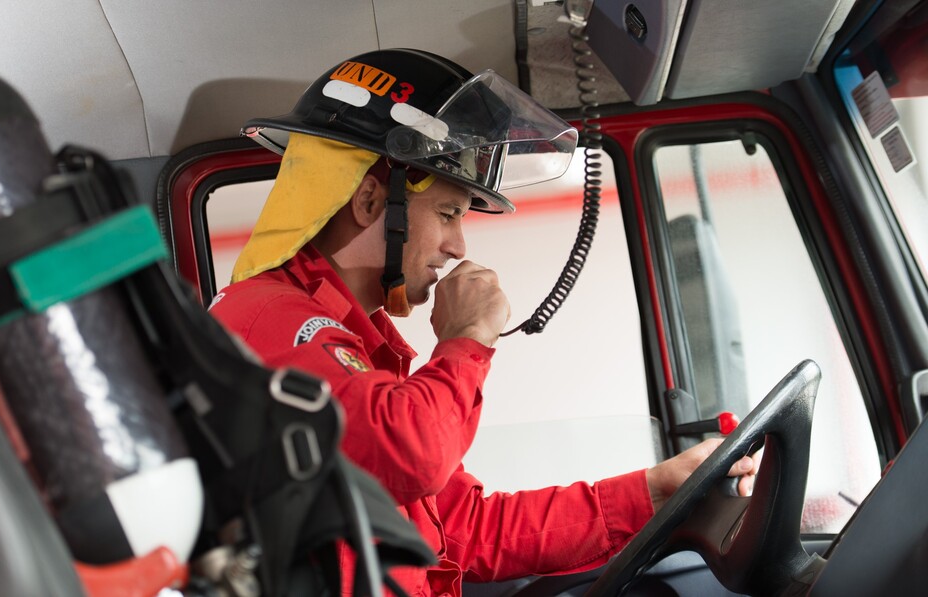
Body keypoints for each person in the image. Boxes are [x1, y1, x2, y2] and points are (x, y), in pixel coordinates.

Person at [209, 48, 756, 596]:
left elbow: (465, 531)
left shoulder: (359, 343)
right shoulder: (265, 315)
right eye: (448, 214)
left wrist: (654, 492)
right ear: (372, 199)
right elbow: (410, 452)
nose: (457, 246)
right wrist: (467, 339)